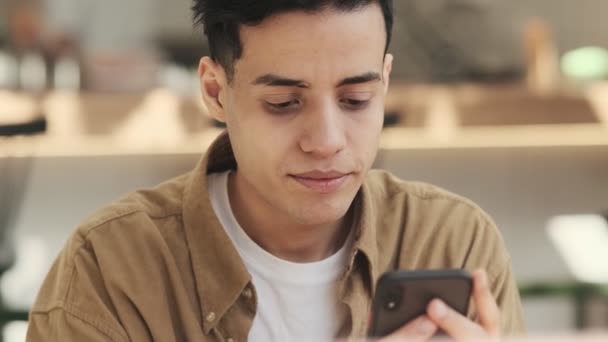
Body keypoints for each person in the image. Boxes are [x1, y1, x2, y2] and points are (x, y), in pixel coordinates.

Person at [26, 1, 525, 341]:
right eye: (284, 103)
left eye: (356, 99)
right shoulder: (111, 272)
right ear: (216, 91)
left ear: (386, 81)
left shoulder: (455, 244)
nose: (327, 141)